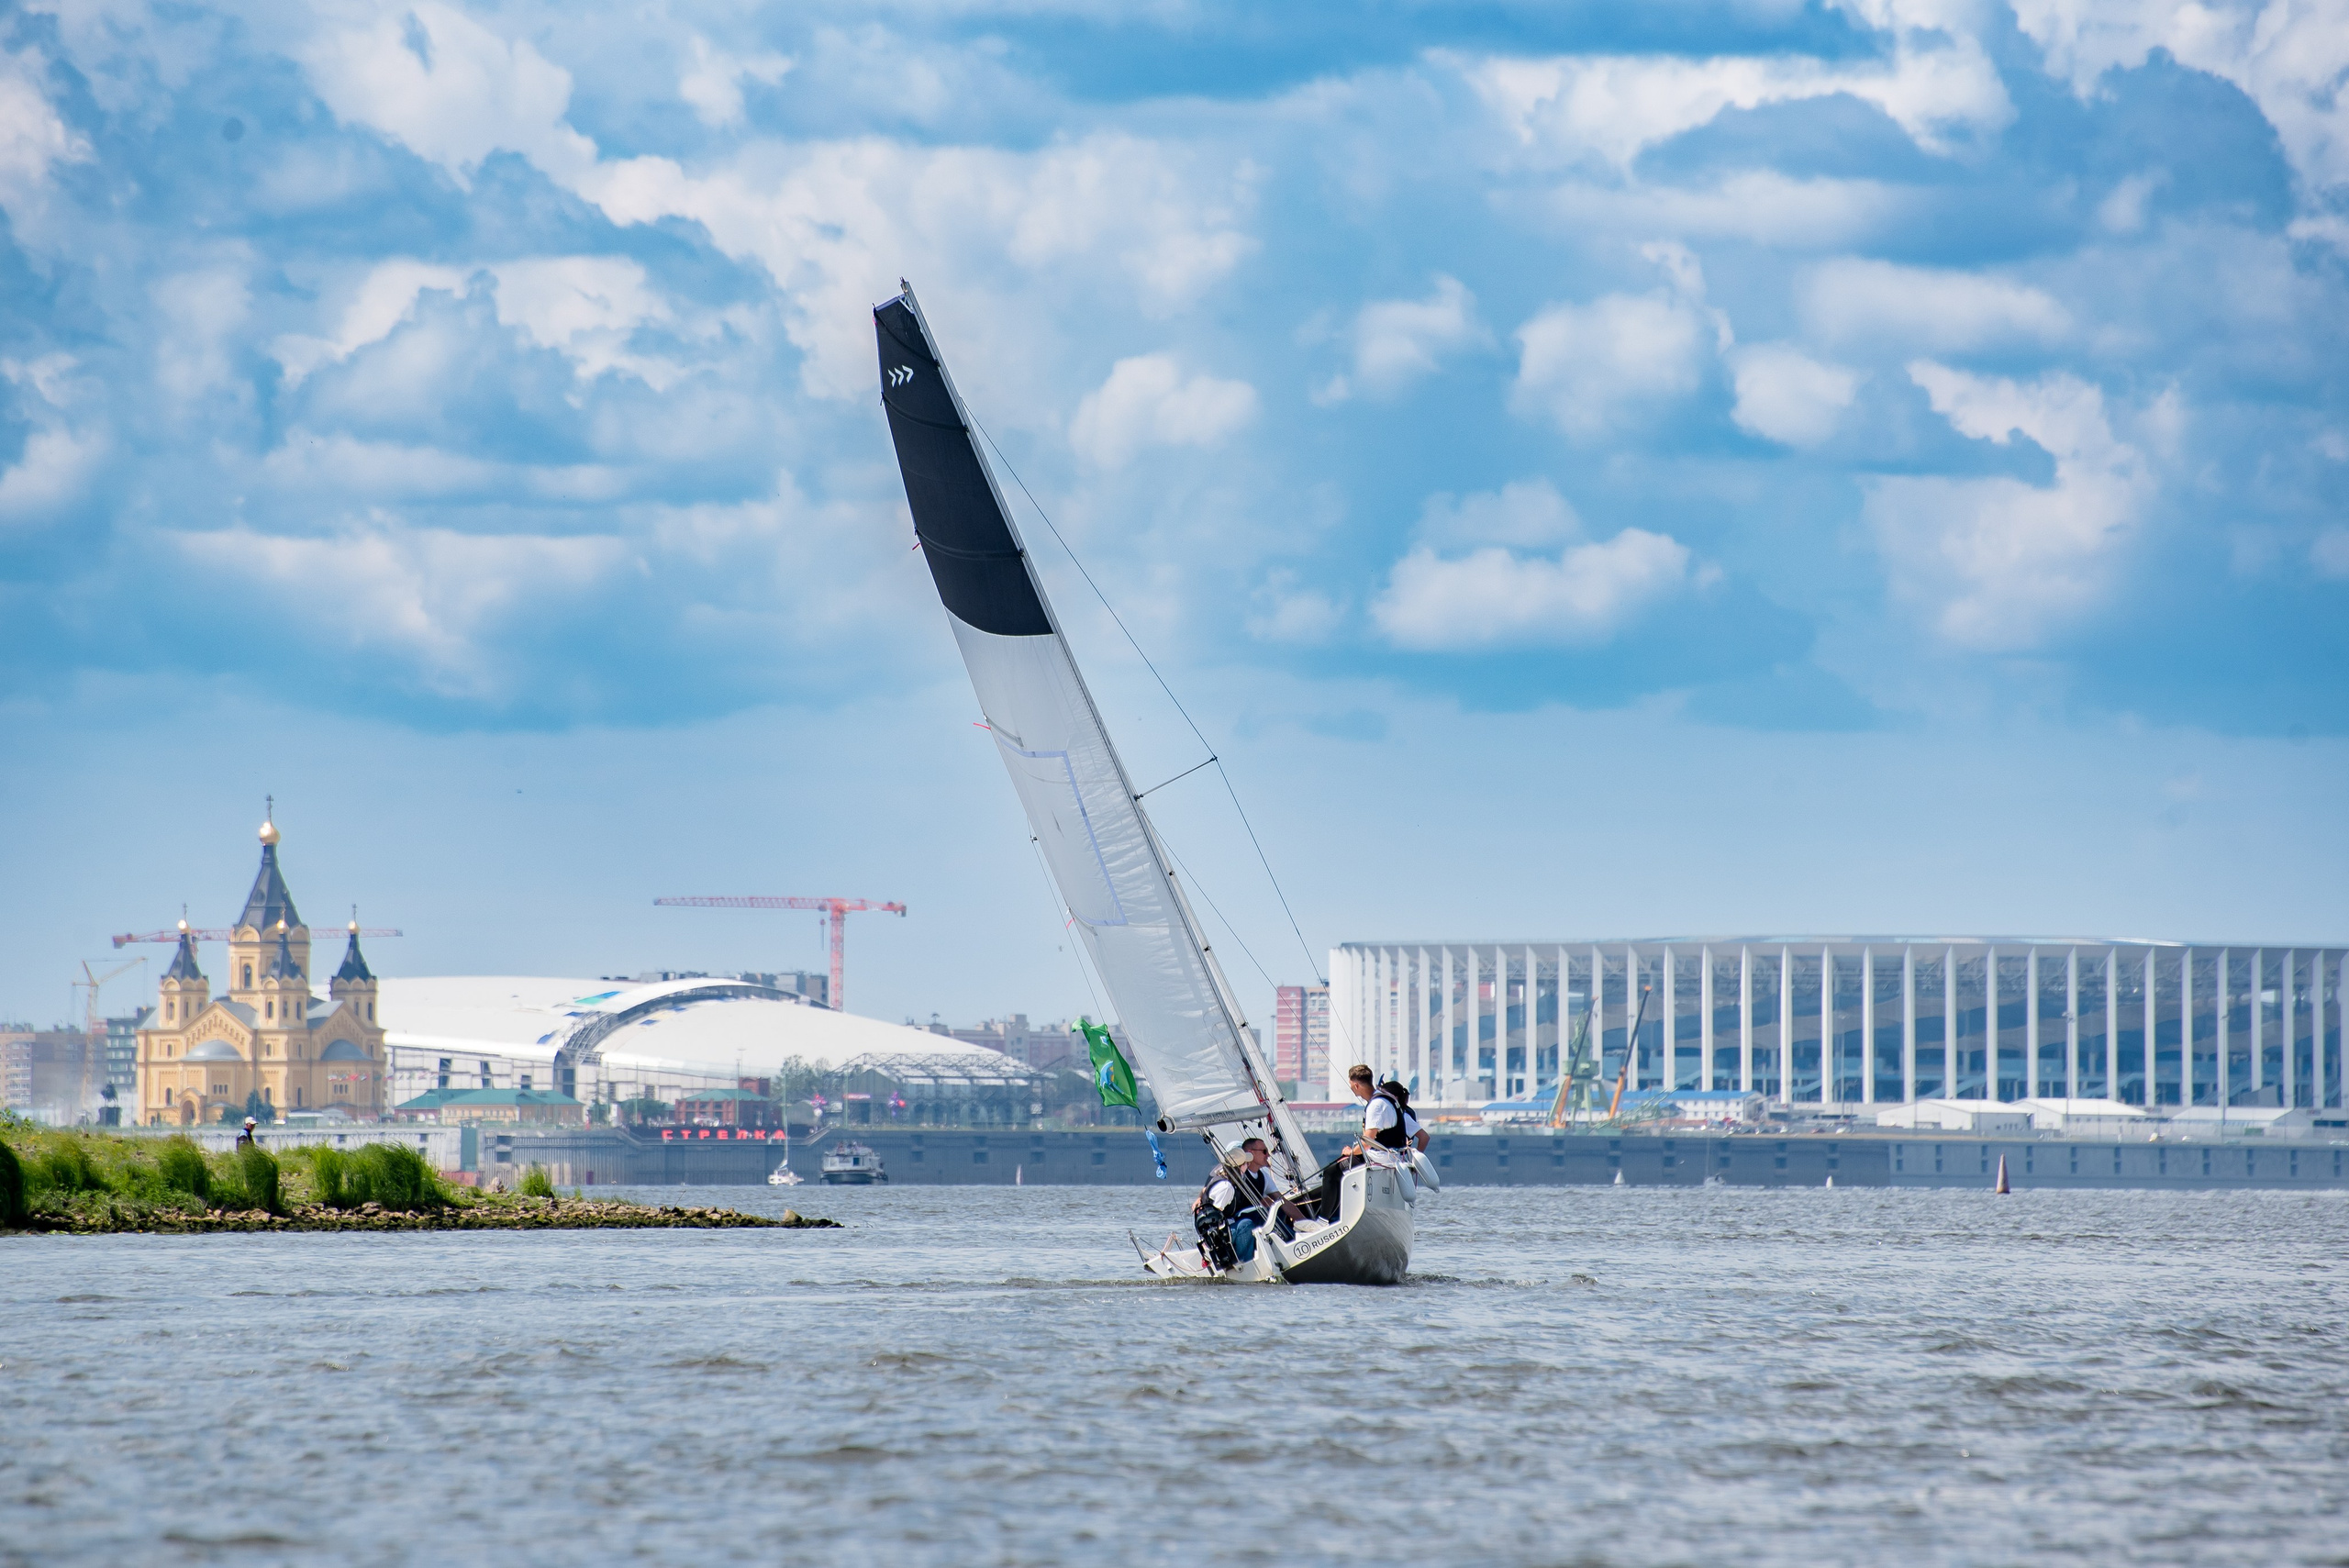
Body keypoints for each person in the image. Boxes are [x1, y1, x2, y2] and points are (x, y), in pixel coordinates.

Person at [1194, 1138, 1276, 1269]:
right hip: (1215, 1236)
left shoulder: (1231, 1178)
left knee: (1257, 1217)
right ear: (1240, 1166)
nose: (1248, 1165)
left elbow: (1205, 1192)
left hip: (1223, 1229)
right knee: (1246, 1225)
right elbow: (1215, 1217)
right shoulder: (1227, 1188)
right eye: (1246, 1163)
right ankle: (1243, 1263)